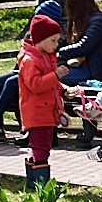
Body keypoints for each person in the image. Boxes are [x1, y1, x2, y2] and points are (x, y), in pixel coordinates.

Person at [17, 12, 64, 189]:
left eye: (57, 40)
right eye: (53, 40)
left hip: (46, 111)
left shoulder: (45, 56)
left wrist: (63, 90)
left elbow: (51, 83)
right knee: (41, 149)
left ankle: (32, 183)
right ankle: (42, 185)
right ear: (40, 39)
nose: (56, 45)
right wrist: (56, 76)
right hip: (37, 112)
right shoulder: (30, 60)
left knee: (39, 147)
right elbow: (36, 85)